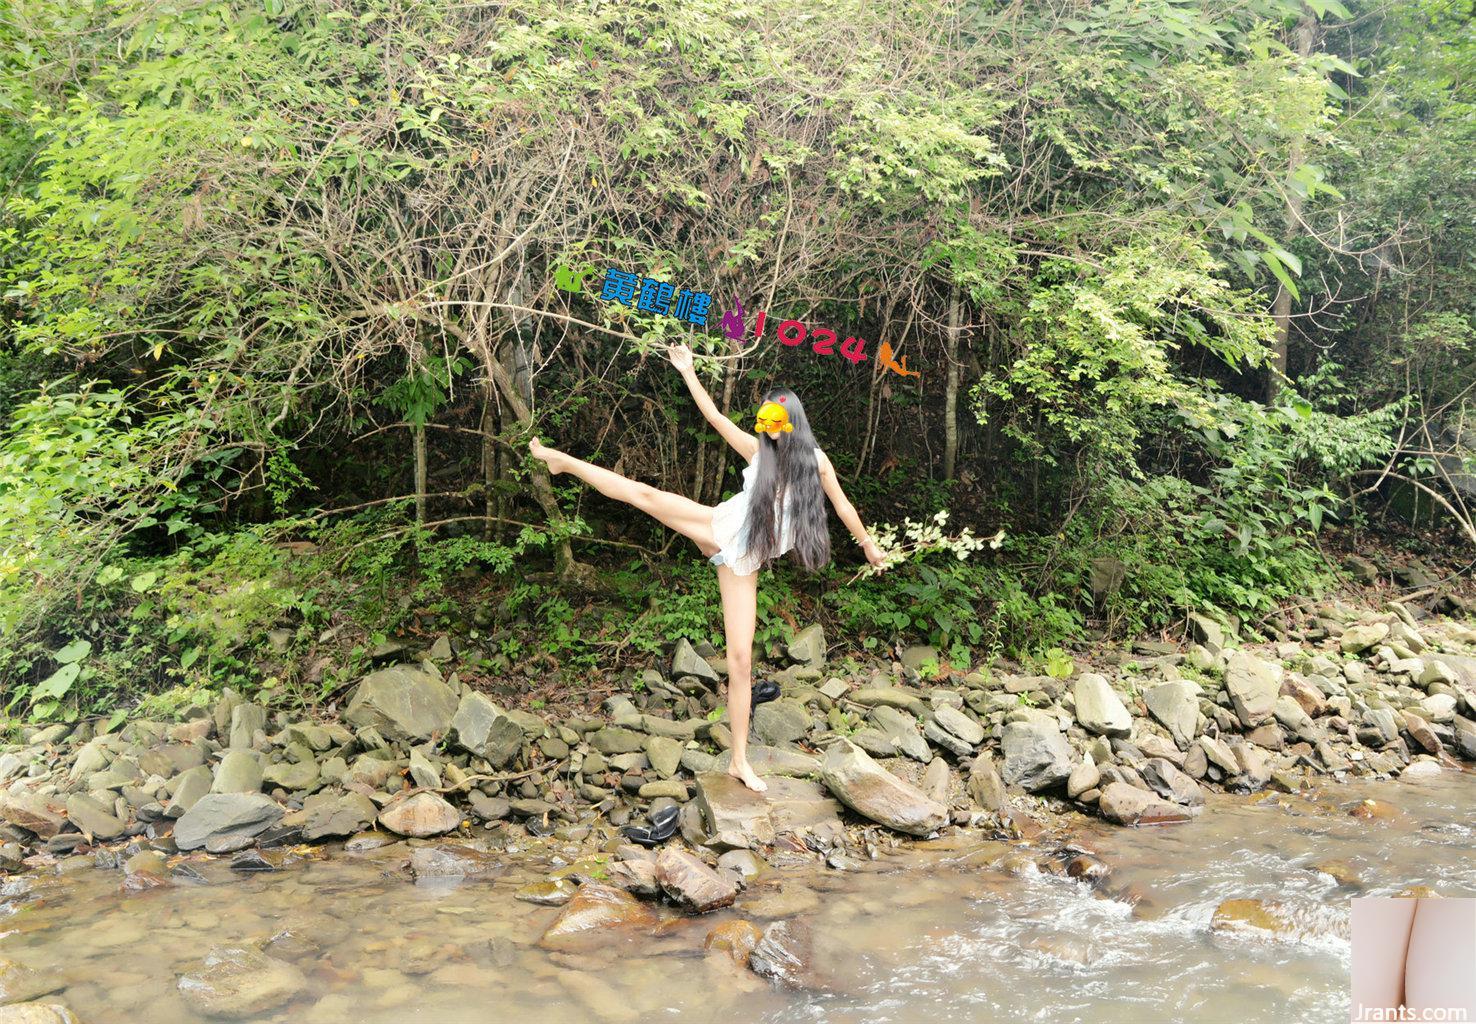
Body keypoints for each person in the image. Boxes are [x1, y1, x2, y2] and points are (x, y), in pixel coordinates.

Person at [528, 341, 888, 793]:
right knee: (644, 495)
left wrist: (869, 545)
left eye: (774, 424)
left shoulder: (815, 464)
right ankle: (562, 462)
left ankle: (739, 760)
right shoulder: (760, 454)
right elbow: (716, 419)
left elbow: (843, 506)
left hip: (743, 561)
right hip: (718, 528)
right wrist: (688, 370)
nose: (767, 431)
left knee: (740, 662)